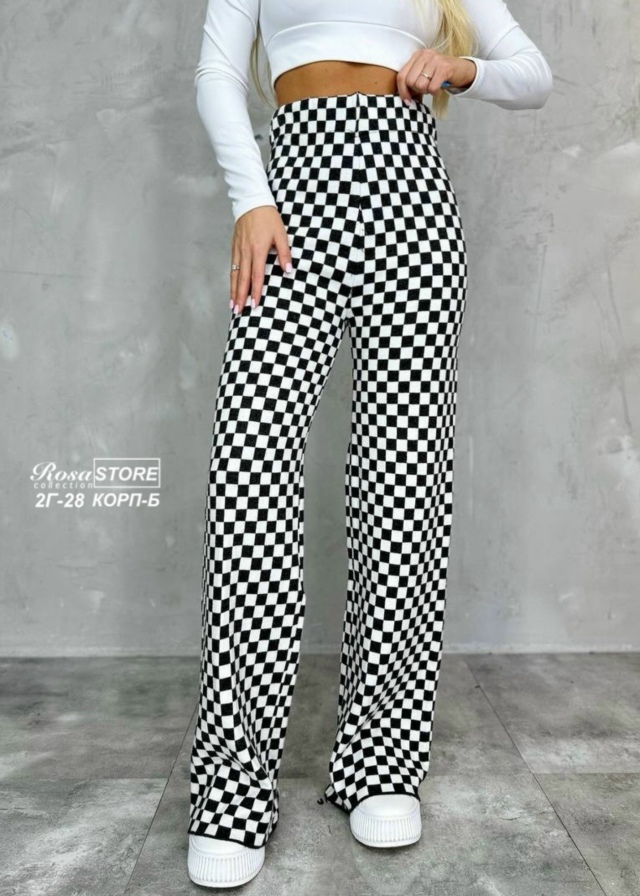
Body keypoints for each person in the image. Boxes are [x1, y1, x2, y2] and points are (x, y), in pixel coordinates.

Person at [186, 0, 553, 887]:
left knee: (404, 481)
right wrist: (251, 200)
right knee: (250, 478)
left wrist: (460, 70)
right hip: (292, 191)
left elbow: (533, 75)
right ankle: (232, 789)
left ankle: (384, 762)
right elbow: (216, 73)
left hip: (411, 200)